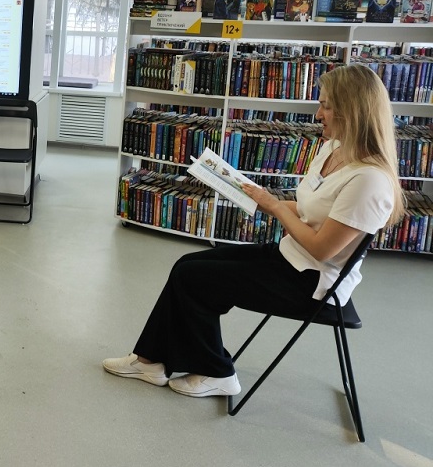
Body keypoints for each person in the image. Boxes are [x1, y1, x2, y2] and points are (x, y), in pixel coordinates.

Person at [103, 64, 404, 397]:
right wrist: (259, 199)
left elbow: (322, 249)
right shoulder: (334, 149)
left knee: (194, 279)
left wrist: (275, 207)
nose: (318, 114)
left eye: (326, 106)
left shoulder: (369, 180)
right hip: (290, 257)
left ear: (353, 111)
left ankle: (217, 371)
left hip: (313, 282)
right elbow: (310, 209)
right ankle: (150, 360)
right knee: (186, 265)